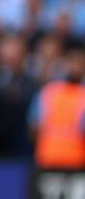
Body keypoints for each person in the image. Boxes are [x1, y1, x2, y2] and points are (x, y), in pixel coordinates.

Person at [28, 39, 85, 168]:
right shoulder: (47, 91)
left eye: (80, 63)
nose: (75, 66)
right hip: (47, 159)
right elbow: (33, 128)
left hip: (77, 162)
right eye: (72, 61)